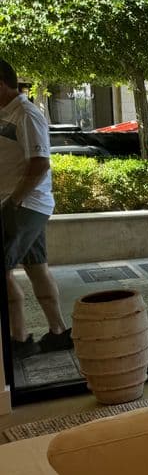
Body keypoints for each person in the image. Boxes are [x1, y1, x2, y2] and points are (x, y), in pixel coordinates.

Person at [0, 58, 72, 355]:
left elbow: (40, 163)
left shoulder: (27, 114)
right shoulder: (6, 114)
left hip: (24, 205)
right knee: (36, 268)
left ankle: (19, 339)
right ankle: (58, 332)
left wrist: (13, 202)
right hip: (20, 204)